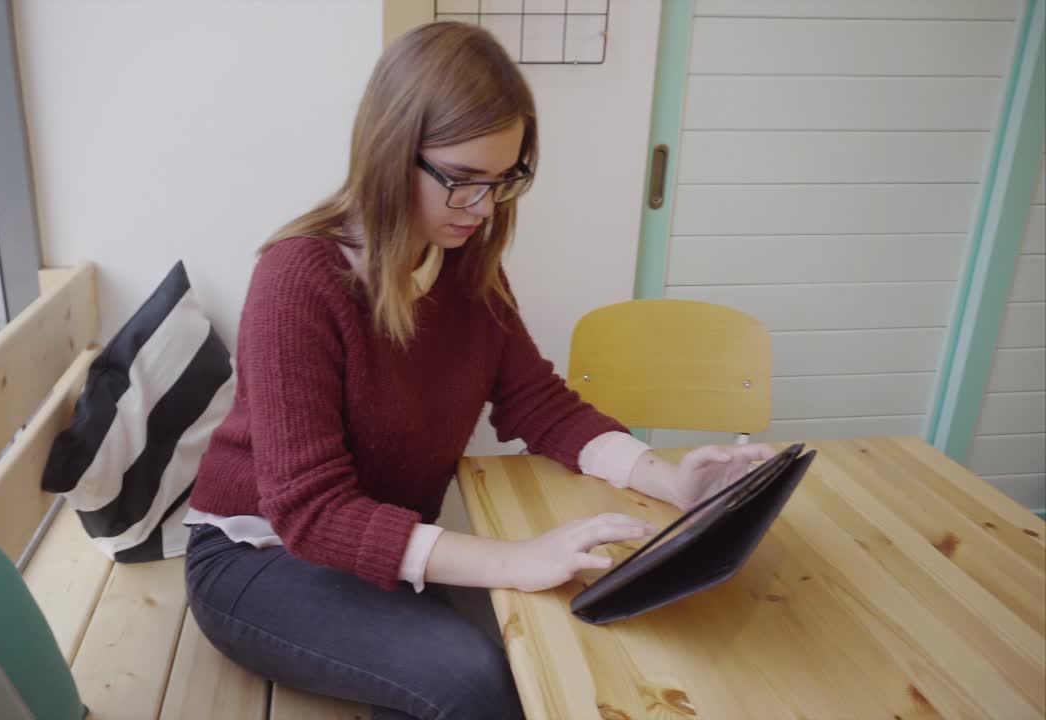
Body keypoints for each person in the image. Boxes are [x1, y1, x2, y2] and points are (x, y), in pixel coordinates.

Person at [182, 21, 775, 720]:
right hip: (258, 557)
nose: (483, 208)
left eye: (503, 180)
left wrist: (668, 478)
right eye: (461, 181)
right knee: (475, 677)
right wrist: (516, 558)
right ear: (389, 151)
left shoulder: (468, 268)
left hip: (373, 549)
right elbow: (311, 512)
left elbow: (540, 405)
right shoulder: (299, 279)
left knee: (556, 641)